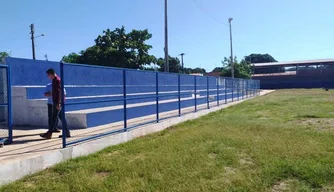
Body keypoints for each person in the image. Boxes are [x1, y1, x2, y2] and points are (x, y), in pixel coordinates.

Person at [40, 68, 71, 139]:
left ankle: (49, 133)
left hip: (57, 102)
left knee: (53, 117)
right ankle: (67, 132)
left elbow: (60, 92)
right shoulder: (54, 80)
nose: (48, 76)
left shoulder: (57, 80)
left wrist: (59, 103)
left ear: (51, 74)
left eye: (48, 75)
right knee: (61, 117)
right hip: (56, 101)